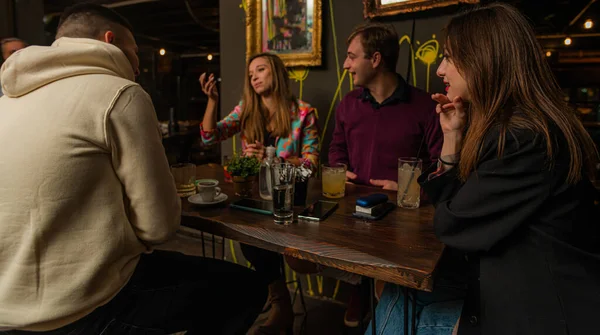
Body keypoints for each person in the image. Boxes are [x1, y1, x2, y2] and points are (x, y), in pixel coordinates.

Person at [0, 4, 265, 334]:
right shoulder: (120, 94)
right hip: (83, 309)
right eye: (136, 52)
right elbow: (158, 227)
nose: (138, 66)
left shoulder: (8, 102)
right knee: (244, 288)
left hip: (7, 310)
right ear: (111, 40)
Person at [369, 3, 600, 335]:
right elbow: (456, 210)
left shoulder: (525, 139)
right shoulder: (506, 127)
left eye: (448, 57)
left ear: (483, 59)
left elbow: (451, 224)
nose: (439, 70)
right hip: (502, 281)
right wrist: (451, 137)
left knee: (403, 303)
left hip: (540, 311)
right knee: (400, 291)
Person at [199, 52, 320, 334]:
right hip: (253, 197)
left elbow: (312, 164)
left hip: (289, 202)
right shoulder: (246, 110)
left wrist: (272, 158)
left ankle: (279, 305)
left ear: (275, 73)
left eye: (261, 70)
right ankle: (280, 300)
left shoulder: (304, 113)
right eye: (251, 73)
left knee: (263, 238)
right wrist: (213, 101)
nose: (254, 76)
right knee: (248, 236)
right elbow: (208, 137)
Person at [329, 23, 443, 191]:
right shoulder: (348, 103)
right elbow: (337, 148)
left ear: (375, 59)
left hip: (403, 208)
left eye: (352, 57)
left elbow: (440, 165)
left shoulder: (426, 107)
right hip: (351, 203)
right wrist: (340, 170)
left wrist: (409, 189)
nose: (346, 65)